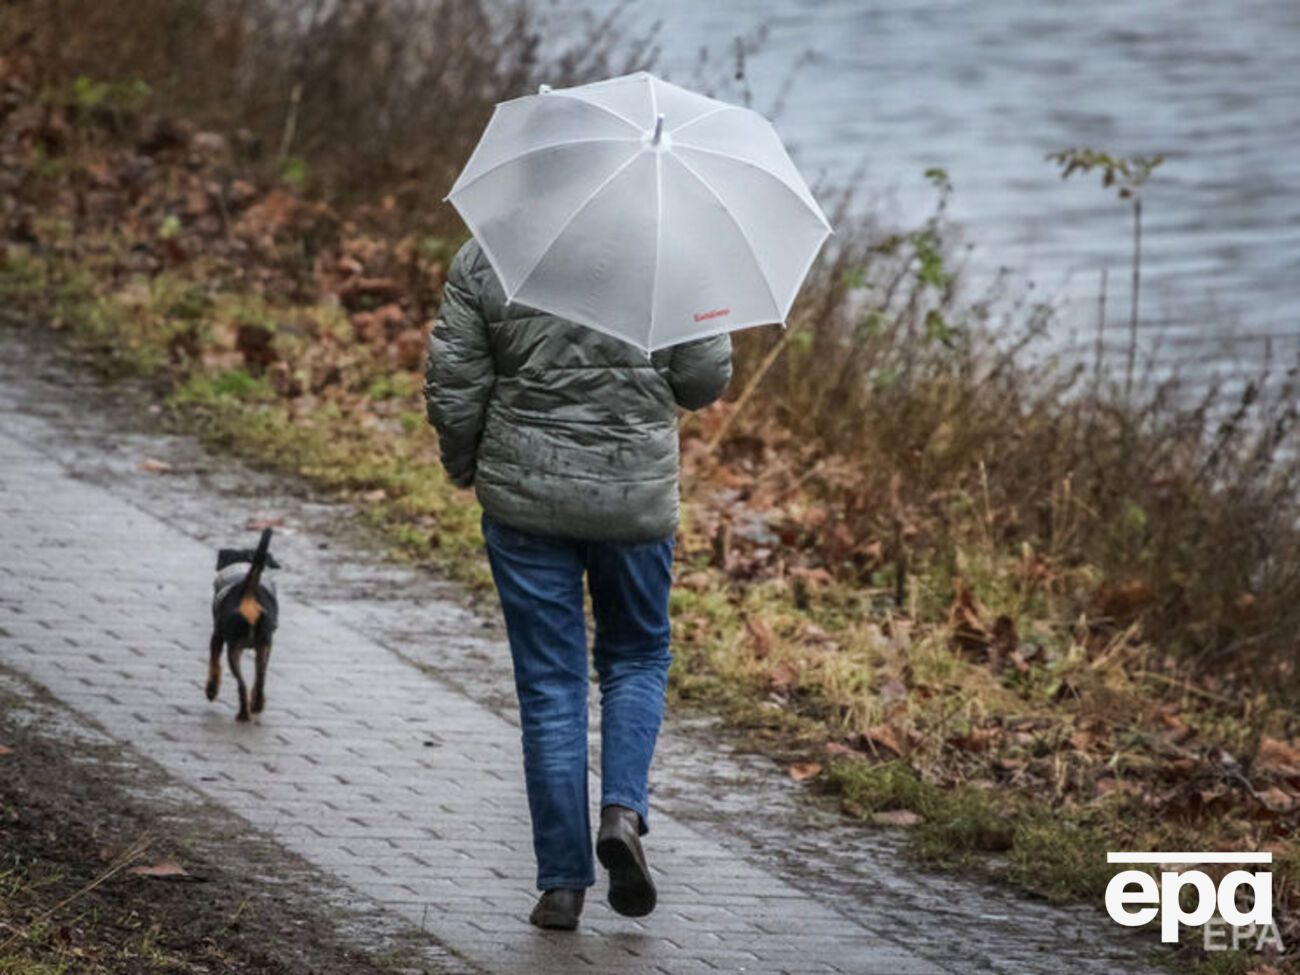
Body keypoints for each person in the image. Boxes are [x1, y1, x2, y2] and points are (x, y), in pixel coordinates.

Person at [424, 237, 732, 931]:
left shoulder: (491, 251)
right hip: (634, 499)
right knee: (636, 656)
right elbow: (703, 380)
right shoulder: (676, 246)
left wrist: (465, 464)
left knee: (549, 683)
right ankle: (621, 811)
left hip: (523, 498)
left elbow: (455, 381)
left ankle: (562, 884)